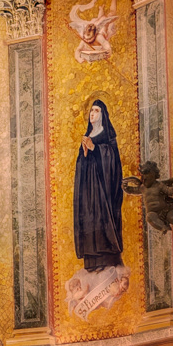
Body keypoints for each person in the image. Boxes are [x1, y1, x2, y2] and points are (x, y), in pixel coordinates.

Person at [73, 99, 124, 272]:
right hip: (88, 189)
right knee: (89, 219)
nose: (92, 114)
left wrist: (95, 148)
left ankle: (106, 257)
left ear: (102, 114)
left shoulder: (107, 134)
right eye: (91, 111)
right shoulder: (88, 133)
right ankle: (91, 260)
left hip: (103, 189)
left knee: (102, 219)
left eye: (96, 110)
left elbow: (113, 161)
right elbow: (82, 163)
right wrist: (85, 153)